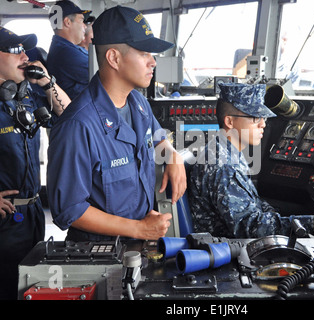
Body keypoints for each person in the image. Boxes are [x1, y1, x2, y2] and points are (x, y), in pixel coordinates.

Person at [47, 6, 186, 242]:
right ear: (114, 58)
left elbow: (157, 135)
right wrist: (138, 229)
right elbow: (68, 209)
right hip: (101, 255)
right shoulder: (77, 126)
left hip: (139, 244)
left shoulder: (138, 102)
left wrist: (172, 154)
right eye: (144, 52)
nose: (153, 62)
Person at [188, 83, 314, 238]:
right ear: (229, 121)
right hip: (227, 251)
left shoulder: (226, 149)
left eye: (264, 118)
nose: (263, 124)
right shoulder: (223, 166)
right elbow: (250, 228)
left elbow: (254, 205)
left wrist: (287, 218)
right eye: (255, 118)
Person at [0, 26, 70, 299]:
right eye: (16, 50)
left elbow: (70, 116)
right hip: (5, 222)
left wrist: (48, 82)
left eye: (25, 50)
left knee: (30, 289)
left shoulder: (25, 96)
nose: (25, 56)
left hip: (33, 215)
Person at [47, 0, 91, 99]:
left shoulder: (65, 48)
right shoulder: (67, 53)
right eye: (81, 20)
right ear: (67, 22)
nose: (84, 26)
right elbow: (105, 74)